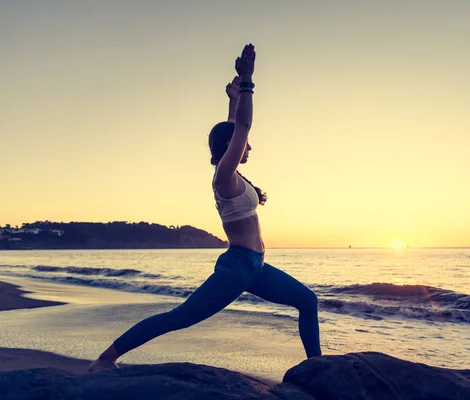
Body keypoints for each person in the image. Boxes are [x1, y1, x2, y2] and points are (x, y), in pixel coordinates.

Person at [88, 44, 322, 372]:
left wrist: (232, 100)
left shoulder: (233, 172)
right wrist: (247, 83)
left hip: (256, 267)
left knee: (308, 301)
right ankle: (105, 358)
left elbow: (233, 128)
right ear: (230, 148)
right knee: (179, 318)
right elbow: (241, 129)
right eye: (243, 145)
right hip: (237, 268)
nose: (250, 146)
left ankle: (318, 369)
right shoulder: (224, 178)